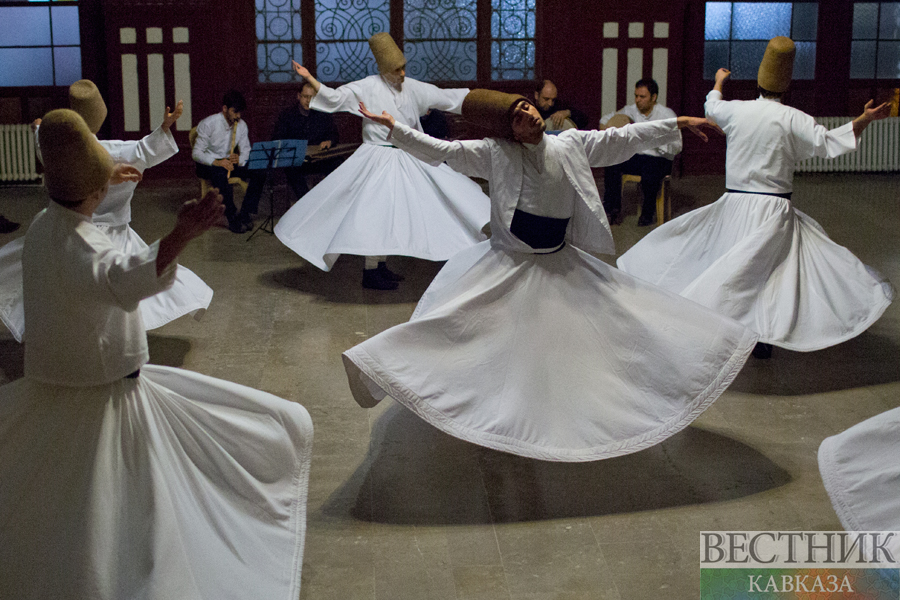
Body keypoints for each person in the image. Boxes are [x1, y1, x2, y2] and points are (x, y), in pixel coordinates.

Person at [340, 90, 757, 461]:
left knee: (610, 329)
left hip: (559, 263)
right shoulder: (495, 152)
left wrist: (678, 122)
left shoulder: (569, 144)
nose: (529, 115)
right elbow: (441, 151)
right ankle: (431, 385)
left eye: (527, 107)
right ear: (510, 130)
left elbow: (621, 138)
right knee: (466, 332)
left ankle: (567, 414)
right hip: (510, 264)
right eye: (518, 116)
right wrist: (394, 127)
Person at [0, 108, 313, 600]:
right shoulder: (84, 245)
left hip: (54, 391)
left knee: (53, 501)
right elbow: (123, 277)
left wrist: (110, 180)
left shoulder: (42, 226)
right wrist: (181, 234)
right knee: (115, 506)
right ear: (96, 191)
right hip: (102, 399)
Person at [617, 37, 894, 359]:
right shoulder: (794, 118)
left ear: (759, 82)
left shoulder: (737, 110)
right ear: (786, 86)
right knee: (769, 274)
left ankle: (728, 327)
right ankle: (760, 335)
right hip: (774, 210)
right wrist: (864, 119)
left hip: (735, 205)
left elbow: (711, 106)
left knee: (730, 268)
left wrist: (719, 81)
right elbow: (830, 143)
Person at [0, 79, 213, 343]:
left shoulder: (57, 155)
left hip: (67, 226)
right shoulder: (117, 151)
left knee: (64, 285)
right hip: (113, 232)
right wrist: (164, 129)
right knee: (123, 282)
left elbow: (43, 144)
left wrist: (38, 128)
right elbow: (145, 149)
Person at [275, 33, 490, 290]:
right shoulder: (367, 86)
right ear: (383, 69)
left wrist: (482, 99)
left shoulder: (412, 87)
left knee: (400, 211)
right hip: (376, 158)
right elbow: (335, 98)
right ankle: (370, 271)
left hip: (407, 156)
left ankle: (380, 265)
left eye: (403, 67)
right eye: (396, 70)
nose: (402, 73)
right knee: (375, 214)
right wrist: (310, 77)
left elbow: (446, 97)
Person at [600, 78, 681, 226]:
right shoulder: (630, 111)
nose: (638, 100)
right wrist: (608, 129)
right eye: (636, 96)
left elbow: (677, 146)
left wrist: (654, 141)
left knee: (651, 170)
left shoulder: (666, 115)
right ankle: (611, 210)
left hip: (660, 158)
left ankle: (647, 213)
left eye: (642, 97)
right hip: (637, 156)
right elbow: (605, 119)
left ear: (653, 97)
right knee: (612, 162)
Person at [193, 90, 267, 233]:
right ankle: (231, 216)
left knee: (259, 171)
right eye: (235, 112)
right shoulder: (209, 124)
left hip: (229, 162)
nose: (238, 116)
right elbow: (196, 153)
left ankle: (245, 212)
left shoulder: (241, 125)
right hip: (208, 163)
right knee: (220, 174)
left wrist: (240, 159)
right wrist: (217, 162)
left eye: (240, 112)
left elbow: (246, 150)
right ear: (225, 109)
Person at [272, 81, 340, 201]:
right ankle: (307, 202)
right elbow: (277, 138)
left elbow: (334, 134)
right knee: (291, 170)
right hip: (298, 161)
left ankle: (332, 200)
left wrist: (329, 141)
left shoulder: (323, 114)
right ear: (299, 96)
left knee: (338, 163)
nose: (308, 101)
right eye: (305, 97)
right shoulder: (287, 115)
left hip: (319, 159)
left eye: (312, 97)